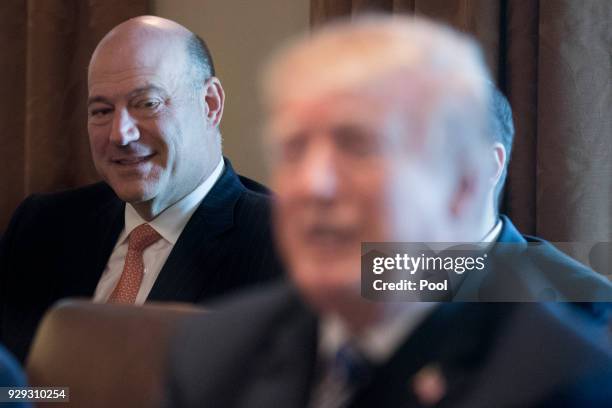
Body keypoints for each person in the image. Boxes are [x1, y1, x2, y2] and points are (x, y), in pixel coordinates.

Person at [165, 15, 612, 407]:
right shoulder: (215, 349)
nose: (311, 185)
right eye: (293, 149)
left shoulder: (572, 362)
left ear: (468, 180)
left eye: (359, 146)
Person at [0, 16, 283, 362]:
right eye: (102, 110)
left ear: (210, 104)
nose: (120, 134)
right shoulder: (41, 226)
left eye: (147, 103)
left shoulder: (290, 242)